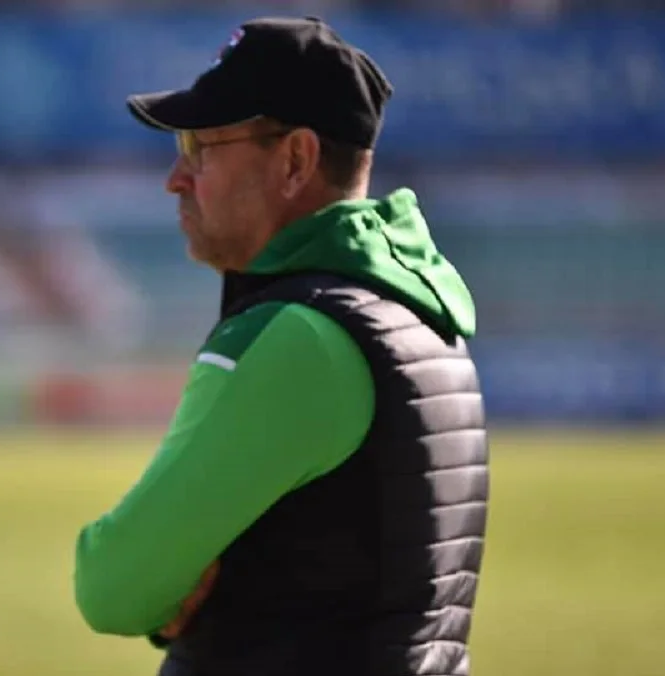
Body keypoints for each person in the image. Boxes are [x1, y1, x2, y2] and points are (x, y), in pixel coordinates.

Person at [73, 15, 490, 676]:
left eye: (200, 146)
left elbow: (114, 586)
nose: (175, 178)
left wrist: (168, 587)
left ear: (295, 160)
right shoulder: (418, 312)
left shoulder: (296, 335)